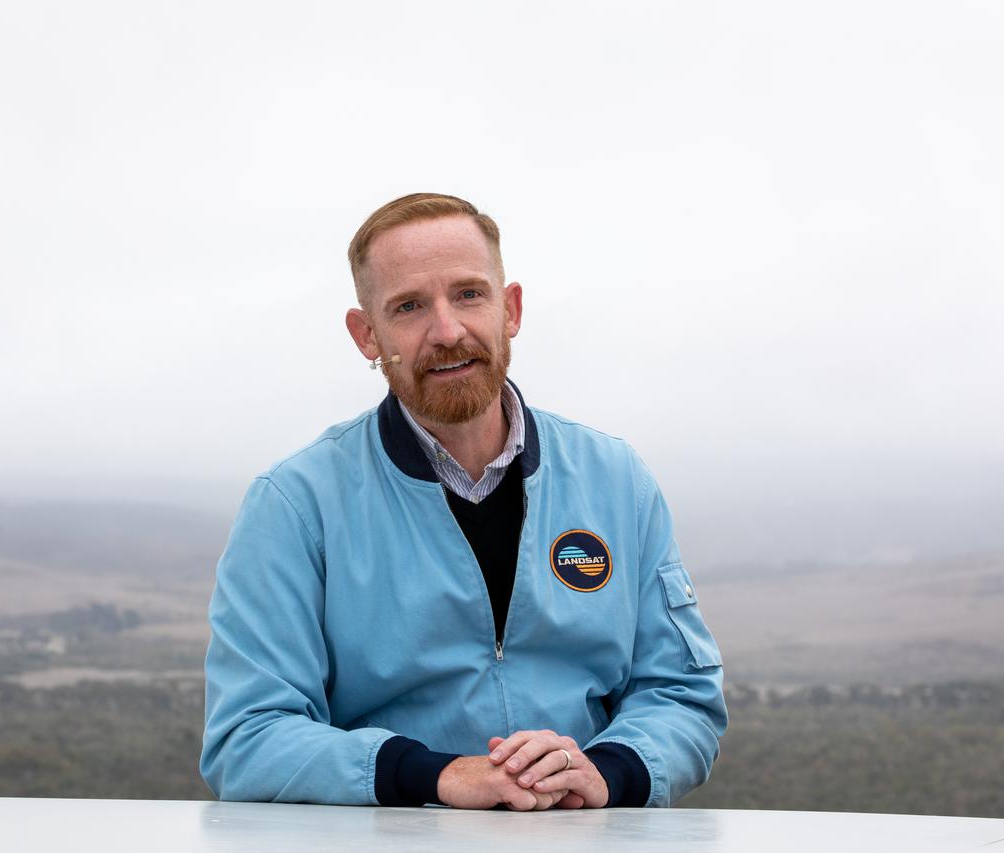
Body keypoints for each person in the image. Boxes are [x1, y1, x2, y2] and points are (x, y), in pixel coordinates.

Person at [200, 193, 726, 810]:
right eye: (409, 307)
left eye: (469, 295)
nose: (447, 331)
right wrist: (437, 777)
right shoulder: (294, 504)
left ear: (512, 310)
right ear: (367, 335)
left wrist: (609, 771)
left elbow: (683, 694)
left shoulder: (616, 480)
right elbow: (247, 737)